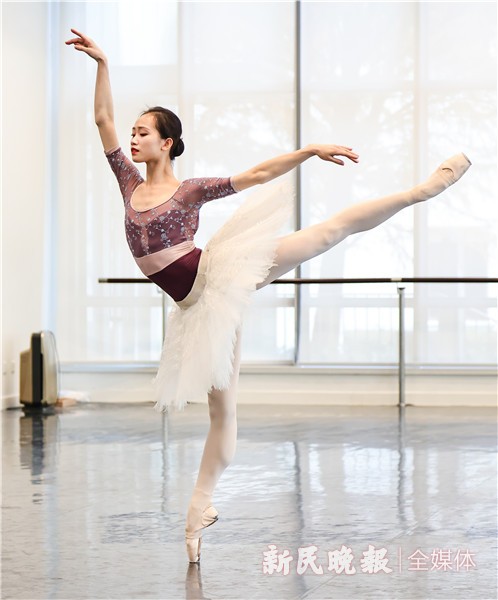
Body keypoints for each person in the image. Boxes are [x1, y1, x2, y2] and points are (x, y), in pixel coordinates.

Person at [65, 28, 471, 563]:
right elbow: (102, 120)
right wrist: (102, 63)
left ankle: (424, 189)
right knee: (223, 413)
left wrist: (308, 150)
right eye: (133, 133)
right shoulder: (127, 180)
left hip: (219, 275)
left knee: (326, 233)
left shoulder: (190, 191)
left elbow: (257, 174)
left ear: (167, 143)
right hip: (197, 310)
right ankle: (198, 512)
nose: (133, 139)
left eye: (144, 133)